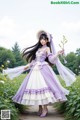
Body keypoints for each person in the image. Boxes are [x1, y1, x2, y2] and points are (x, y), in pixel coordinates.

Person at [3, 30, 76, 117]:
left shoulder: (47, 48)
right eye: (41, 39)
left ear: (47, 40)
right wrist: (29, 65)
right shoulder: (38, 49)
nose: (42, 41)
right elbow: (34, 60)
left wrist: (57, 54)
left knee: (43, 87)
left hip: (43, 69)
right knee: (36, 87)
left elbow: (51, 59)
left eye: (44, 39)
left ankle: (45, 108)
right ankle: (40, 107)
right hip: (35, 69)